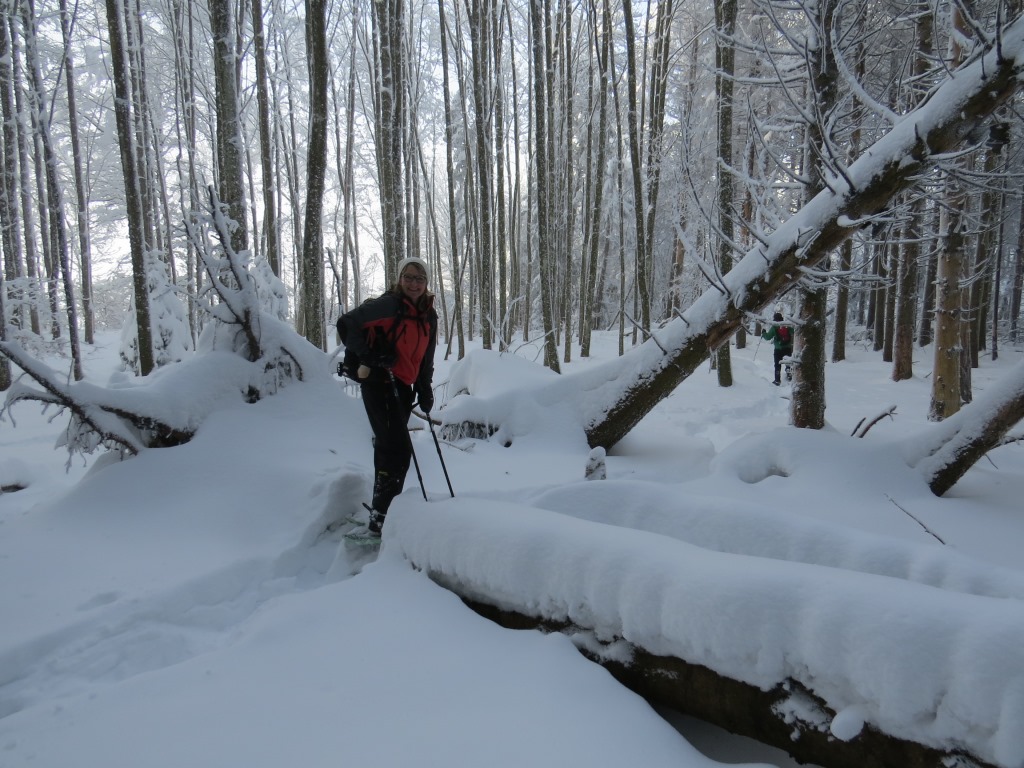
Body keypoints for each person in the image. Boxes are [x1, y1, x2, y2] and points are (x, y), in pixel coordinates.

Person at [337, 256, 437, 536]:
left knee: (391, 449)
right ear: (399, 279)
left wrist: (425, 387)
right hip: (379, 383)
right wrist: (371, 356)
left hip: (402, 386)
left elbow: (426, 355)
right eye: (408, 277)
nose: (414, 283)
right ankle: (382, 518)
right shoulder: (388, 305)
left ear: (426, 282)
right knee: (396, 450)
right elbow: (346, 324)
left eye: (419, 278)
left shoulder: (428, 314)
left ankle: (384, 513)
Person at [761, 312, 794, 386]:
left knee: (777, 365)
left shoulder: (774, 327)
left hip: (778, 349)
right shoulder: (786, 326)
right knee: (788, 363)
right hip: (787, 348)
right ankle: (789, 374)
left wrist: (763, 333)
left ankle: (777, 380)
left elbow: (768, 337)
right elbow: (793, 331)